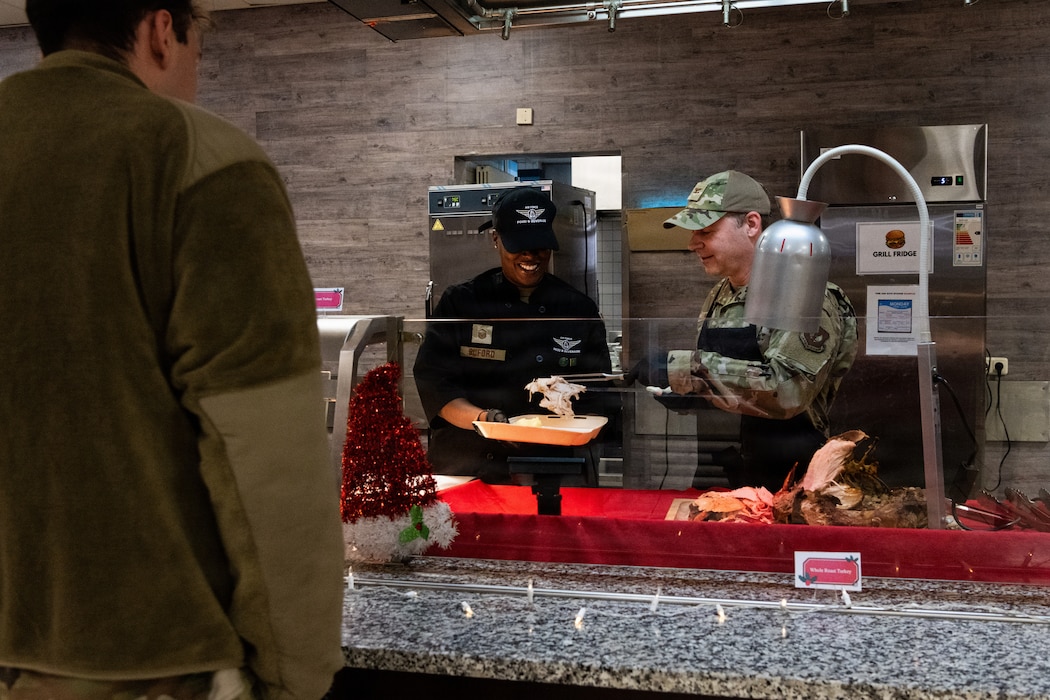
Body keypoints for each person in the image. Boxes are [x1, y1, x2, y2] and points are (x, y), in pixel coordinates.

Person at [0, 3, 344, 699]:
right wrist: (296, 671)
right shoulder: (201, 159)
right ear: (163, 31)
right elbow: (266, 459)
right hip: (149, 663)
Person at [648, 170, 858, 491]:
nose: (693, 244)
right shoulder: (720, 294)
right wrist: (684, 393)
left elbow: (787, 391)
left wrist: (686, 371)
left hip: (791, 482)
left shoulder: (804, 294)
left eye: (705, 230)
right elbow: (724, 382)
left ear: (751, 224)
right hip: (723, 472)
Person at [414, 187, 612, 484]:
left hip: (550, 467)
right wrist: (487, 420)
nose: (530, 255)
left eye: (540, 245)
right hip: (469, 464)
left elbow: (599, 389)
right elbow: (435, 384)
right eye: (518, 245)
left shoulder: (576, 307)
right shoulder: (462, 302)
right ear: (496, 239)